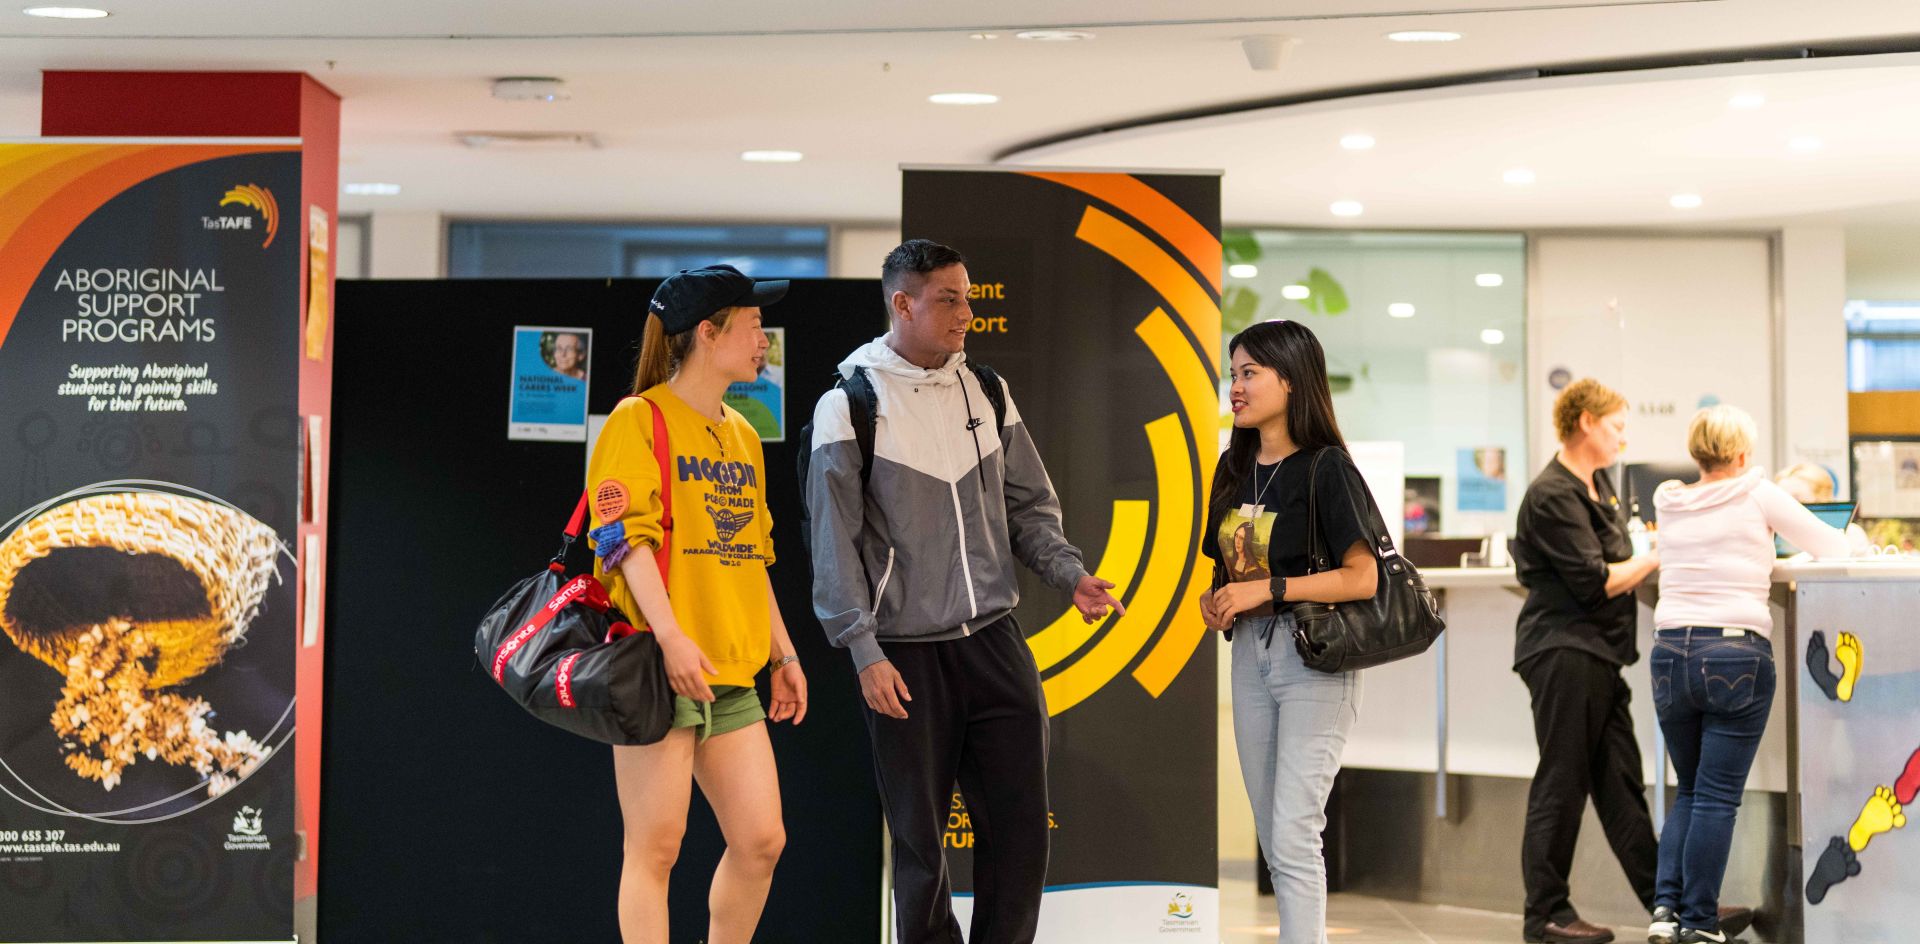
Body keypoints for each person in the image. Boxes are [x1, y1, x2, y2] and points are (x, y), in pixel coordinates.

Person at [803, 239, 1124, 944]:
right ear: (903, 302)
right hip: (904, 654)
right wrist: (863, 650)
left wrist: (1070, 573)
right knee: (921, 848)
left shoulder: (987, 388)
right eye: (948, 298)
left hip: (994, 642)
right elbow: (833, 545)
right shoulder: (849, 402)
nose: (966, 313)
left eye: (969, 297)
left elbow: (1030, 508)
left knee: (1020, 832)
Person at [586, 265, 808, 944]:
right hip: (660, 665)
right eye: (751, 326)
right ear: (709, 333)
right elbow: (623, 540)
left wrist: (784, 651)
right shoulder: (639, 418)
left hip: (730, 669)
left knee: (761, 840)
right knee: (655, 850)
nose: (763, 339)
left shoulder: (742, 434)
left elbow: (753, 555)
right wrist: (673, 637)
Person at [1197, 319, 1377, 944]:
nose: (1236, 386)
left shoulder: (1327, 468)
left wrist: (1269, 590)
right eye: (1233, 372)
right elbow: (1230, 567)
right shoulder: (1234, 465)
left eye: (1250, 373)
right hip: (1251, 653)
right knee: (1276, 838)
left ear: (1292, 381)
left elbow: (1363, 578)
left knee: (1295, 831)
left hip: (1314, 660)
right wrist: (1218, 599)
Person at [1644, 406, 1848, 944]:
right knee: (1715, 797)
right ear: (1741, 454)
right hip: (1733, 653)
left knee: (1688, 790)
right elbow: (1833, 545)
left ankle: (1665, 913)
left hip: (1668, 653)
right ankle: (1698, 922)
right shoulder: (1756, 491)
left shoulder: (1669, 499)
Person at [1508, 378, 1660, 944]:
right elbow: (1596, 582)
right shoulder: (1552, 495)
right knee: (1563, 779)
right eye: (1617, 426)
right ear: (1586, 423)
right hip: (1564, 652)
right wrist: (1659, 555)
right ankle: (1544, 914)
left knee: (1620, 785)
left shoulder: (1598, 488)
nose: (1623, 437)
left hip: (1597, 656)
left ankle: (1669, 904)